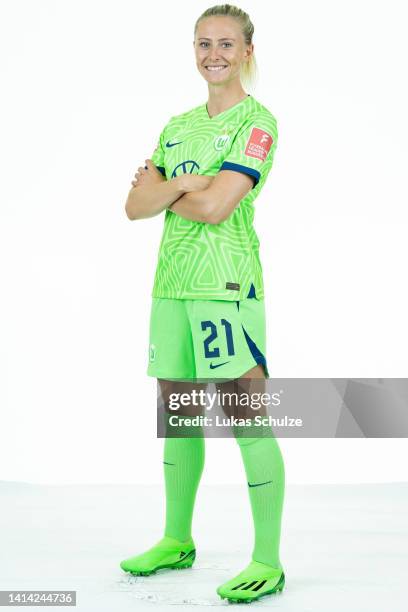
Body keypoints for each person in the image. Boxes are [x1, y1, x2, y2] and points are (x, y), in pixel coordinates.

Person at [119, 4, 285, 604]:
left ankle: (268, 559)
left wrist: (167, 190)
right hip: (172, 282)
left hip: (227, 285)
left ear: (246, 51)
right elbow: (133, 207)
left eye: (224, 43)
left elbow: (217, 208)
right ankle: (176, 539)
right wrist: (186, 185)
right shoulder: (177, 125)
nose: (212, 53)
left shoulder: (257, 122)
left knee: (245, 414)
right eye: (202, 43)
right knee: (178, 413)